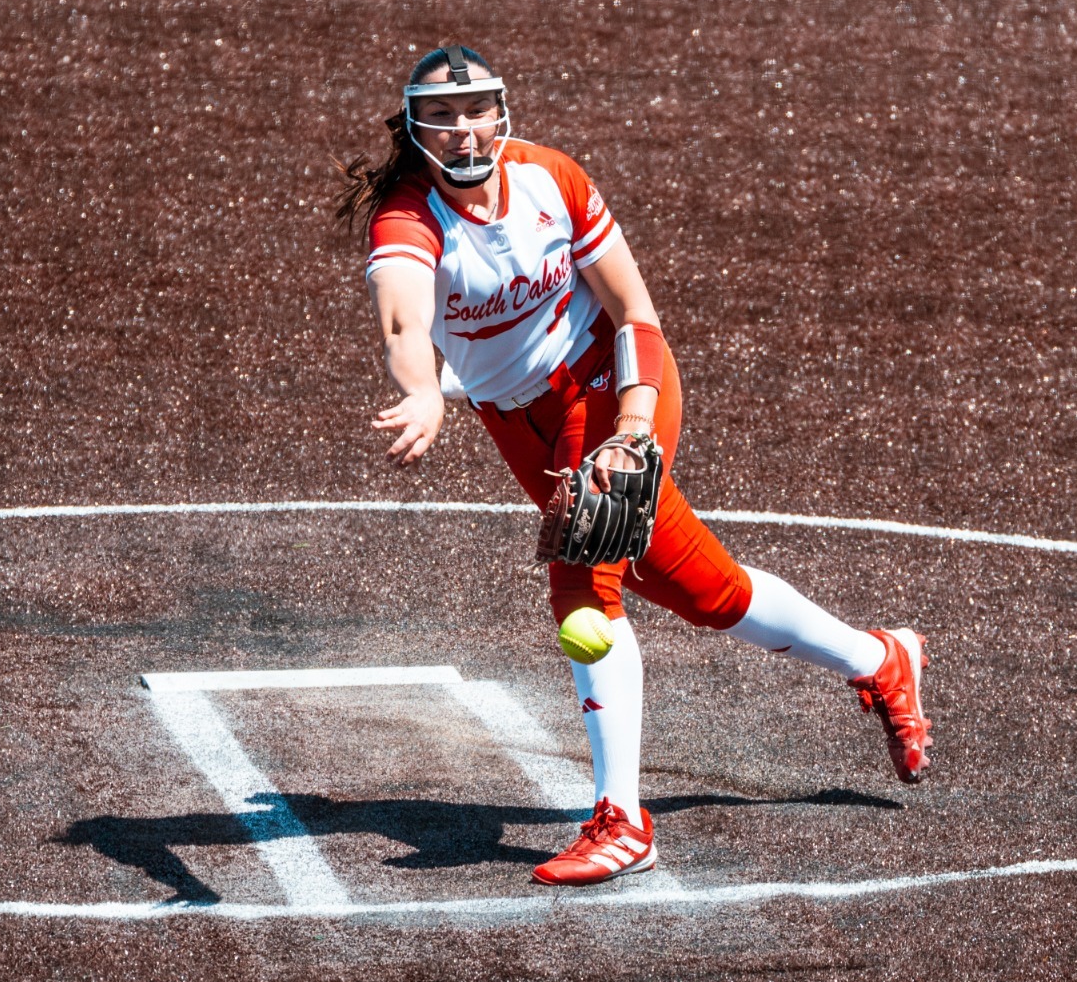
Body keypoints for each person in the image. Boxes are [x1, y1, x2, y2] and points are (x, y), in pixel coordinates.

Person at [336, 45, 932, 887]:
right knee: (706, 593)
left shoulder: (552, 180)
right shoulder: (408, 217)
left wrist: (635, 426)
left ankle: (623, 821)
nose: (466, 128)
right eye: (444, 113)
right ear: (415, 126)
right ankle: (879, 659)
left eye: (479, 109)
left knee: (583, 585)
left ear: (503, 111)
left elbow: (634, 309)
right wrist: (423, 389)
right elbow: (404, 324)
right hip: (519, 422)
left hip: (613, 385)